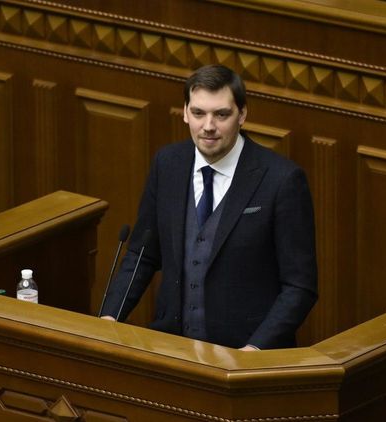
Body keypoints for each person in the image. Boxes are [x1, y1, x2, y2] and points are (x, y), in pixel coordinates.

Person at [100, 64, 317, 350]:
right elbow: (143, 254)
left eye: (221, 114)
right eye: (199, 113)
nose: (208, 126)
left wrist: (254, 350)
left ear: (242, 114)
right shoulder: (168, 164)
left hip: (244, 355)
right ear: (185, 112)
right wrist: (109, 318)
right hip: (172, 348)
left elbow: (299, 287)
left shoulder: (282, 180)